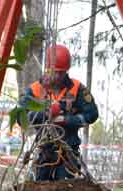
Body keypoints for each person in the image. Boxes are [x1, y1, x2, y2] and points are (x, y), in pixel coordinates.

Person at [20, 44, 98, 181]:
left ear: (66, 71)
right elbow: (20, 117)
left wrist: (65, 120)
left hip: (69, 150)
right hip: (43, 150)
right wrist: (44, 114)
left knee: (65, 188)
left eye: (60, 73)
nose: (56, 76)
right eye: (53, 71)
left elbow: (92, 114)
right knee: (40, 187)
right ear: (47, 69)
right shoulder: (35, 90)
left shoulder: (76, 88)